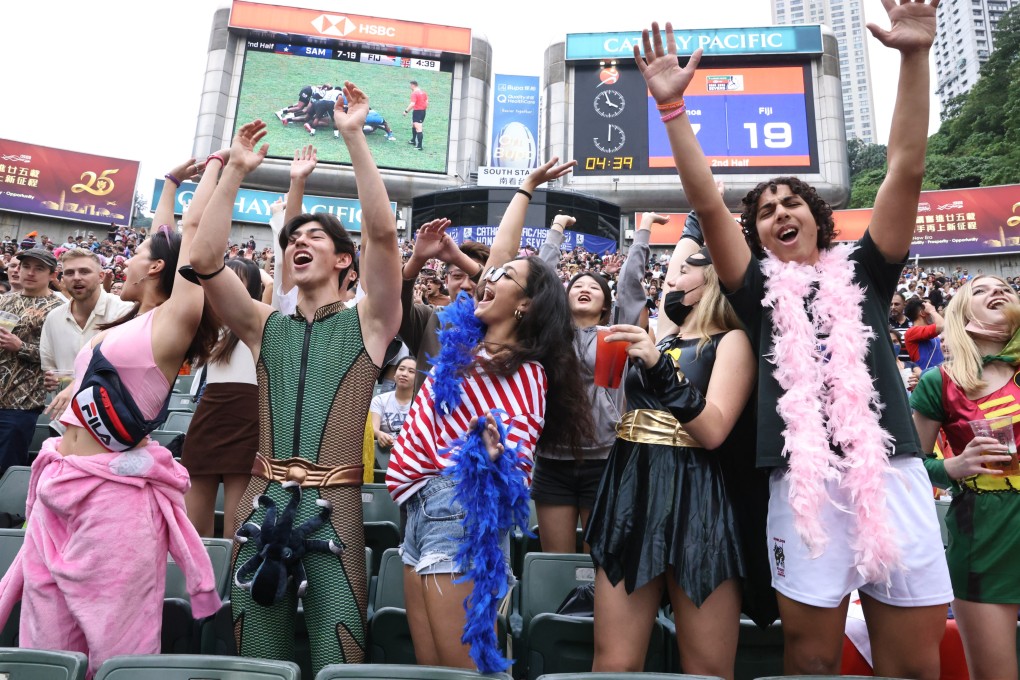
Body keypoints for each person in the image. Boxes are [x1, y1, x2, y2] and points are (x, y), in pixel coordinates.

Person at [634, 5, 950, 677]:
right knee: (808, 661)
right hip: (803, 488)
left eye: (791, 202)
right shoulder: (753, 292)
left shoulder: (866, 271)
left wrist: (914, 56)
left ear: (818, 218)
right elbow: (711, 203)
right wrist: (672, 112)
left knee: (916, 666)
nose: (778, 211)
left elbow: (906, 169)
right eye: (766, 209)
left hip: (888, 477)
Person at [189, 82, 402, 674]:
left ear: (343, 260)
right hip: (263, 499)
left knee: (341, 653)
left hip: (336, 503)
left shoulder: (373, 320)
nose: (297, 243)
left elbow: (383, 236)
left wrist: (354, 137)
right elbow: (204, 260)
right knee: (256, 656)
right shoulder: (263, 325)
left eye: (314, 237)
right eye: (291, 239)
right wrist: (233, 169)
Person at [0, 157, 221, 678]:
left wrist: (218, 171)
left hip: (114, 504)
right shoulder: (129, 322)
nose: (124, 261)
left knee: (115, 646)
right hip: (60, 490)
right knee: (45, 642)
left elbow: (187, 237)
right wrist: (169, 184)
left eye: (138, 253)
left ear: (157, 269)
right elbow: (166, 233)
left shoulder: (172, 322)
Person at [385, 158, 594, 670]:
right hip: (418, 512)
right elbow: (500, 259)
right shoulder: (467, 340)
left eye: (503, 280)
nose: (487, 278)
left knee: (463, 669)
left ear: (524, 306)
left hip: (461, 513)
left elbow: (513, 465)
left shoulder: (526, 372)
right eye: (490, 276)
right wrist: (524, 188)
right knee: (433, 669)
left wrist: (496, 456)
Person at [587, 246, 771, 677]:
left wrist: (658, 367)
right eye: (671, 271)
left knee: (705, 669)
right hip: (631, 489)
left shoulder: (733, 341)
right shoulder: (665, 337)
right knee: (612, 662)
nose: (670, 278)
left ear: (715, 278)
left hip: (699, 499)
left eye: (684, 269)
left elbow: (714, 431)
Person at [910, 276, 1020, 680]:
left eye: (1006, 286)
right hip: (985, 540)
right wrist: (951, 468)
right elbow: (905, 466)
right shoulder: (939, 382)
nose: (998, 291)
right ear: (959, 314)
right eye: (979, 289)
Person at [530, 212, 650, 553]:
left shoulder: (617, 335)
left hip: (606, 460)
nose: (584, 288)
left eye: (593, 286)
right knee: (558, 564)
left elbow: (629, 286)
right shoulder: (549, 335)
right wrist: (555, 229)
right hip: (552, 461)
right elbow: (538, 280)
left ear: (605, 304)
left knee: (598, 563)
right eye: (576, 285)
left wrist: (641, 232)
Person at [180, 257, 262, 538]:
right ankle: (197, 582)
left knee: (236, 530)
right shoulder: (206, 322)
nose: (221, 286)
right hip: (209, 416)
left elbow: (280, 287)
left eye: (233, 280)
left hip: (247, 419)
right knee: (193, 527)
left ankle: (229, 583)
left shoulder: (263, 323)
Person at [40, 248, 134, 421]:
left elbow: (125, 368)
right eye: (69, 272)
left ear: (100, 276)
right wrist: (50, 380)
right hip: (65, 422)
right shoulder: (54, 318)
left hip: (113, 423)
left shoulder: (124, 313)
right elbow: (50, 367)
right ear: (62, 279)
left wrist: (76, 385)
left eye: (84, 271)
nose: (76, 277)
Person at [0, 248, 64, 475]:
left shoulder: (58, 309)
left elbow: (61, 356)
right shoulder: (5, 300)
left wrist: (21, 347)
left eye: (39, 269)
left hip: (21, 402)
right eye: (26, 266)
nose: (30, 273)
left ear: (52, 274)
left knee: (6, 468)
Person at [369, 356, 416, 470]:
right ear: (394, 374)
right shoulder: (380, 400)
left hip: (412, 458)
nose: (404, 374)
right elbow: (373, 428)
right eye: (401, 369)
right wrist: (380, 434)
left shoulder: (421, 402)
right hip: (383, 457)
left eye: (411, 371)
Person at [904, 297, 945, 371]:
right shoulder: (912, 332)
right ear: (922, 313)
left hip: (940, 378)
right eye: (928, 310)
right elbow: (942, 325)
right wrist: (932, 311)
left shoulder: (933, 333)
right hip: (926, 380)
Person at [403, 80, 428, 150]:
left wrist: (406, 111)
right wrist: (423, 108)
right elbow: (426, 102)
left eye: (410, 85)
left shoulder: (414, 93)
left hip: (418, 112)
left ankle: (419, 146)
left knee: (418, 128)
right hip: (422, 111)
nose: (410, 87)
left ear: (413, 85)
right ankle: (413, 140)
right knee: (413, 125)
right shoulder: (423, 92)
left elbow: (412, 104)